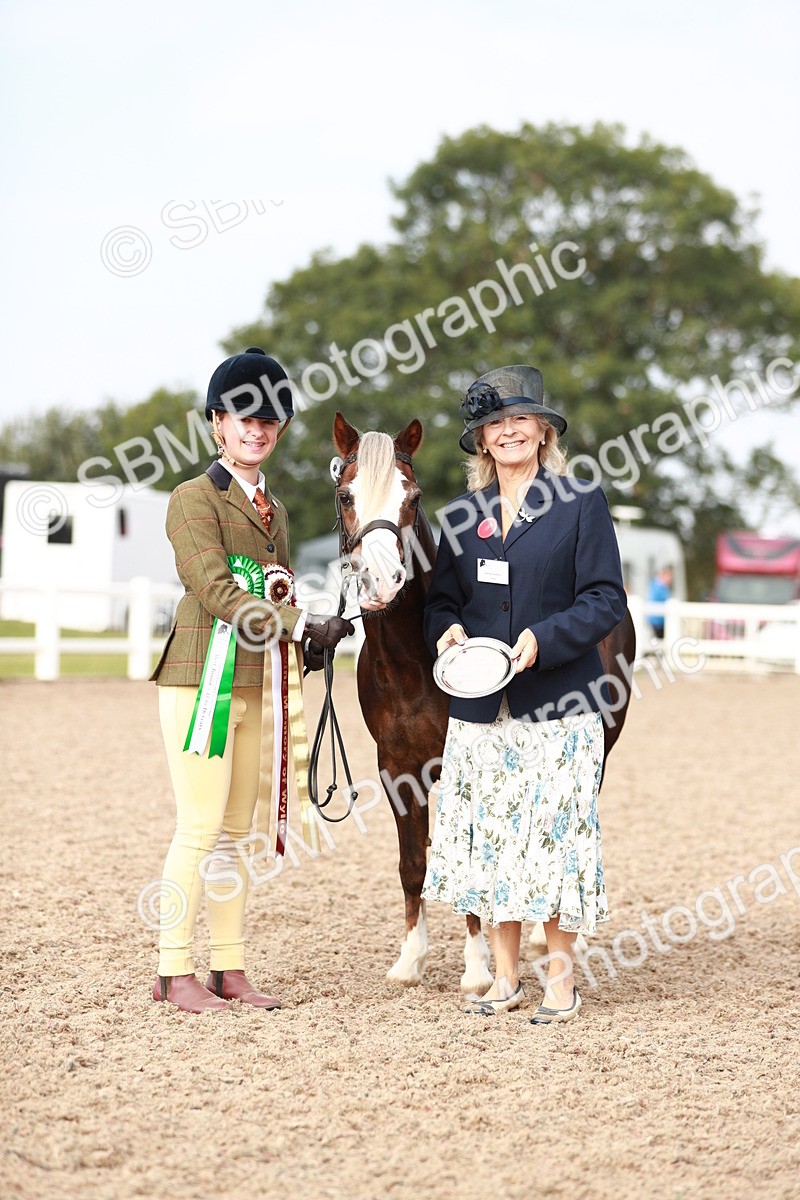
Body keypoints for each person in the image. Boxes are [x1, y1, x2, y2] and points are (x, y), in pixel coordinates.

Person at [150, 347, 353, 1013]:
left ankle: (228, 969)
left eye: (270, 420)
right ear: (217, 423)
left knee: (237, 833)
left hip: (257, 681)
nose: (257, 429)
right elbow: (212, 587)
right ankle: (174, 970)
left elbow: (278, 591)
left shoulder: (276, 511)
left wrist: (308, 642)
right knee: (200, 826)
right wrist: (299, 623)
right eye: (244, 417)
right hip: (199, 679)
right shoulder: (192, 499)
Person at [422, 365, 627, 1024]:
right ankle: (506, 979)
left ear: (542, 430)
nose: (508, 430)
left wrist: (545, 637)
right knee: (495, 843)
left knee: (555, 841)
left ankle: (560, 982)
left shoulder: (580, 502)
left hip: (561, 704)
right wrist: (448, 630)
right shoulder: (461, 517)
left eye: (520, 418)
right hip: (482, 711)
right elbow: (441, 603)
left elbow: (605, 600)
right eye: (495, 422)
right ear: (482, 440)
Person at [647, 566, 673, 637]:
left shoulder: (656, 586)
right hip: (658, 621)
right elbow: (666, 600)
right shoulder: (659, 588)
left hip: (657, 620)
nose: (670, 579)